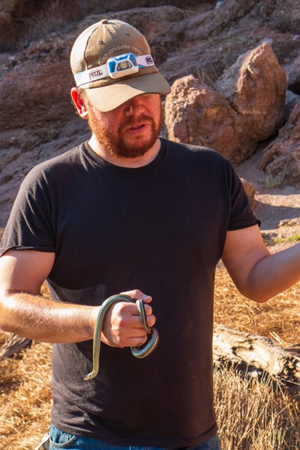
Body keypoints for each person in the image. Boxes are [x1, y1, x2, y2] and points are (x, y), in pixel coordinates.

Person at [1, 18, 300, 450]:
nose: (136, 109)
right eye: (116, 99)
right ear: (79, 102)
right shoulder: (50, 186)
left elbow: (256, 276)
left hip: (194, 437)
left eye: (143, 91)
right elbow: (7, 304)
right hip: (90, 438)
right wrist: (96, 321)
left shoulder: (209, 173)